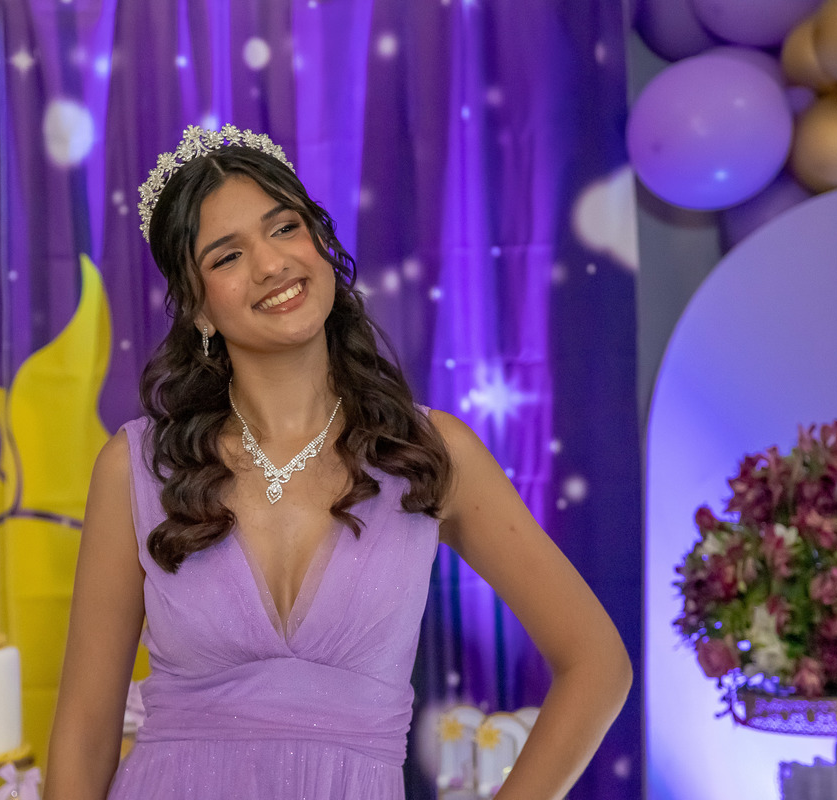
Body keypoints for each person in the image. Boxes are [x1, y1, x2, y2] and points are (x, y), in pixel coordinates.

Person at [45, 125, 631, 800]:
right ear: (197, 307)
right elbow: (85, 733)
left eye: (284, 228)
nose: (271, 264)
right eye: (228, 255)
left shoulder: (430, 453)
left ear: (319, 244)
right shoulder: (139, 467)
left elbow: (597, 663)